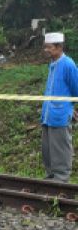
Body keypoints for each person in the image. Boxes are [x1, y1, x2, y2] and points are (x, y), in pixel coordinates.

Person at [41, 32, 78, 182]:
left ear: (59, 47)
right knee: (48, 149)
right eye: (46, 47)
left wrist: (72, 108)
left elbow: (76, 90)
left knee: (60, 149)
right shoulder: (53, 64)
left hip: (60, 114)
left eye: (49, 47)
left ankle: (61, 180)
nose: (46, 50)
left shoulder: (68, 64)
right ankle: (51, 177)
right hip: (48, 115)